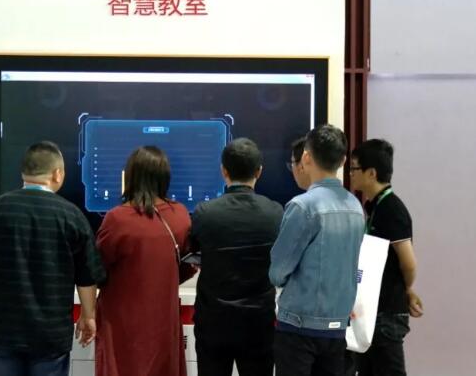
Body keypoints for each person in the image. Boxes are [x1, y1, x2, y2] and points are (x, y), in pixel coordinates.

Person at [0, 141, 104, 376]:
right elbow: (87, 276)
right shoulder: (72, 216)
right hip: (50, 335)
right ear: (57, 174)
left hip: (0, 332)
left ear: (24, 173)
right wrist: (88, 316)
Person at [270, 124, 365, 376]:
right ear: (343, 161)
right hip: (337, 328)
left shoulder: (303, 206)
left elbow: (277, 272)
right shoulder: (356, 207)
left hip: (299, 327)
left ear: (306, 157)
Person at [95, 146, 195, 376]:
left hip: (121, 321)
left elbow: (96, 268)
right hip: (163, 319)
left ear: (130, 176)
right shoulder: (180, 215)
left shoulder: (117, 218)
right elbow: (187, 265)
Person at [191, 138, 283, 376]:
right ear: (259, 171)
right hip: (258, 324)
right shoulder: (275, 213)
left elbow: (192, 252)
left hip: (213, 323)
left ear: (224, 171)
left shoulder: (205, 213)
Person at [347, 139, 423, 376]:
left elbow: (408, 263)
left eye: (354, 168)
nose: (350, 173)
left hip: (387, 314)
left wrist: (407, 289)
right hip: (372, 312)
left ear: (371, 173)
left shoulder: (391, 209)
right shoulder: (374, 206)